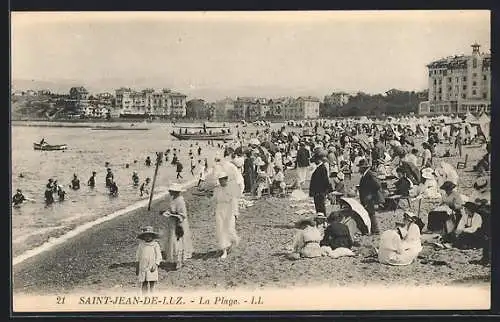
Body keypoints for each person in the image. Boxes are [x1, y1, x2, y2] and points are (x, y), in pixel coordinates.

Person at [160, 183, 193, 269]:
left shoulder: (180, 200)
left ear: (175, 192)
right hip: (172, 222)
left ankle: (179, 261)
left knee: (178, 241)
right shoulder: (173, 199)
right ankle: (174, 259)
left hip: (178, 223)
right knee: (172, 240)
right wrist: (166, 212)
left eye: (171, 191)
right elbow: (172, 210)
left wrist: (172, 215)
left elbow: (182, 215)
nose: (169, 192)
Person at [213, 172, 240, 259]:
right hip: (220, 209)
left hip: (229, 210)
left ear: (226, 179)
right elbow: (215, 201)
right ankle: (224, 250)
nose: (221, 181)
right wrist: (214, 211)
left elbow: (234, 201)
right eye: (219, 180)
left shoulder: (231, 189)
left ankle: (232, 243)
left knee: (230, 228)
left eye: (222, 179)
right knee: (221, 229)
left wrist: (235, 213)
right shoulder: (217, 189)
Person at [136, 226, 163, 294]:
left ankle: (152, 296)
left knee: (152, 282)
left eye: (149, 236)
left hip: (152, 266)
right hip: (143, 266)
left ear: (152, 236)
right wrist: (137, 267)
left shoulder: (155, 245)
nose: (147, 237)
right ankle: (144, 296)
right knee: (144, 283)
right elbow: (138, 256)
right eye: (146, 236)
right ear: (143, 237)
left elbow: (159, 256)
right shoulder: (141, 245)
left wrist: (156, 264)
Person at [358, 159, 382, 234]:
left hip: (369, 197)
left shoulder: (370, 174)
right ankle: (371, 229)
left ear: (363, 168)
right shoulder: (365, 175)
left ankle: (375, 230)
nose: (359, 169)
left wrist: (371, 195)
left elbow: (377, 185)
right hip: (366, 197)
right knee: (368, 212)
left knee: (371, 213)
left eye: (360, 167)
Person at [309, 149, 333, 215]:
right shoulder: (319, 168)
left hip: (320, 191)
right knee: (318, 207)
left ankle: (322, 220)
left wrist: (328, 191)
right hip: (318, 191)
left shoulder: (322, 168)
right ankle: (321, 219)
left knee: (320, 207)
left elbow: (325, 180)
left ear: (318, 160)